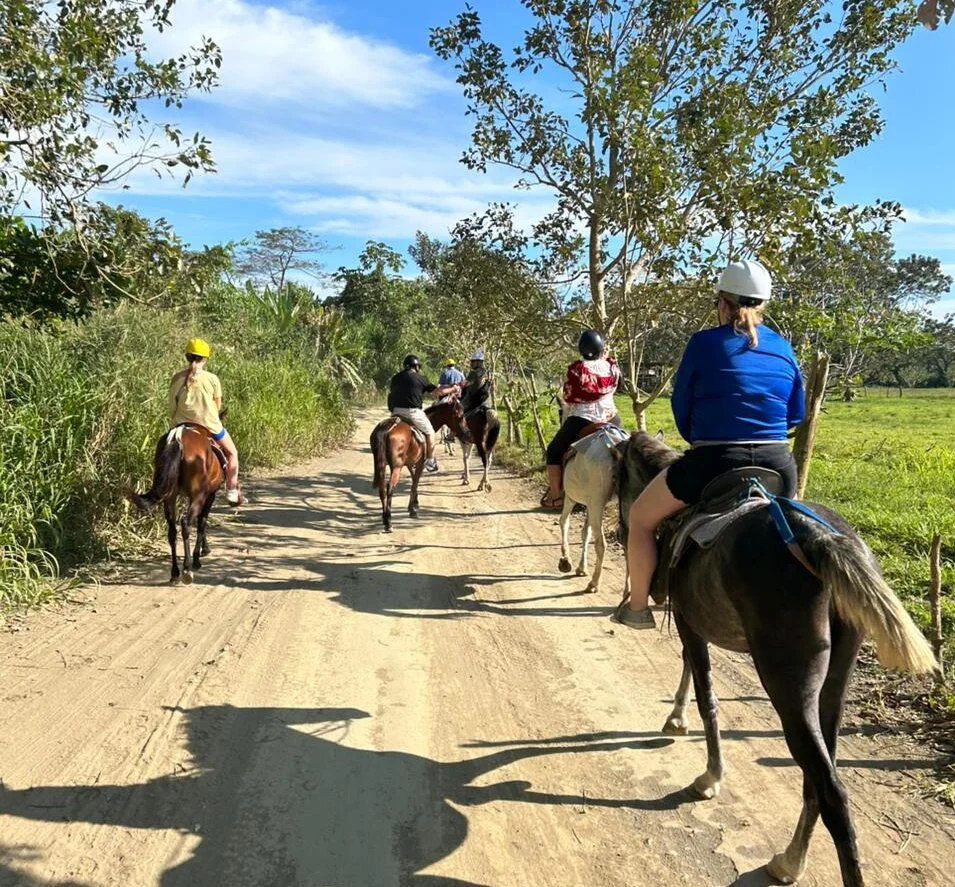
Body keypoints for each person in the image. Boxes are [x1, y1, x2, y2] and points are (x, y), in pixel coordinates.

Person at [613, 259, 805, 630]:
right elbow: (795, 414)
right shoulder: (783, 348)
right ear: (762, 305)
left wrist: (699, 438)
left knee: (639, 518)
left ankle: (637, 608)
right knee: (792, 531)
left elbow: (681, 406)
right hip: (778, 464)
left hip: (715, 460)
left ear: (723, 304)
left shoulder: (702, 343)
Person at [540, 329, 622, 509]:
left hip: (583, 419)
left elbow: (568, 397)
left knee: (553, 451)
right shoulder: (612, 367)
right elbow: (617, 385)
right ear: (601, 349)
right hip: (611, 418)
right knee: (626, 446)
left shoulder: (577, 370)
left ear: (582, 349)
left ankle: (556, 496)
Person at [168, 338, 243, 506]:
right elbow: (217, 406)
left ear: (187, 356)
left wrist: (177, 420)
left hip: (180, 425)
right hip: (209, 424)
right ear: (205, 359)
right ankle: (231, 490)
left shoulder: (176, 378)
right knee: (232, 453)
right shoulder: (212, 379)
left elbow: (172, 407)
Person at [388, 354, 461, 472]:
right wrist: (453, 389)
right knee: (430, 432)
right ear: (416, 366)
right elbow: (437, 392)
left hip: (396, 412)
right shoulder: (420, 378)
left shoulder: (395, 378)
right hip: (413, 412)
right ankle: (430, 461)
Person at [459, 350, 494, 415]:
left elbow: (465, 384)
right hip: (486, 402)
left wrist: (456, 385)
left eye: (473, 361)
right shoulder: (488, 373)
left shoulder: (474, 373)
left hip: (471, 402)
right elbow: (493, 389)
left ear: (479, 362)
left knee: (457, 410)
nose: (471, 363)